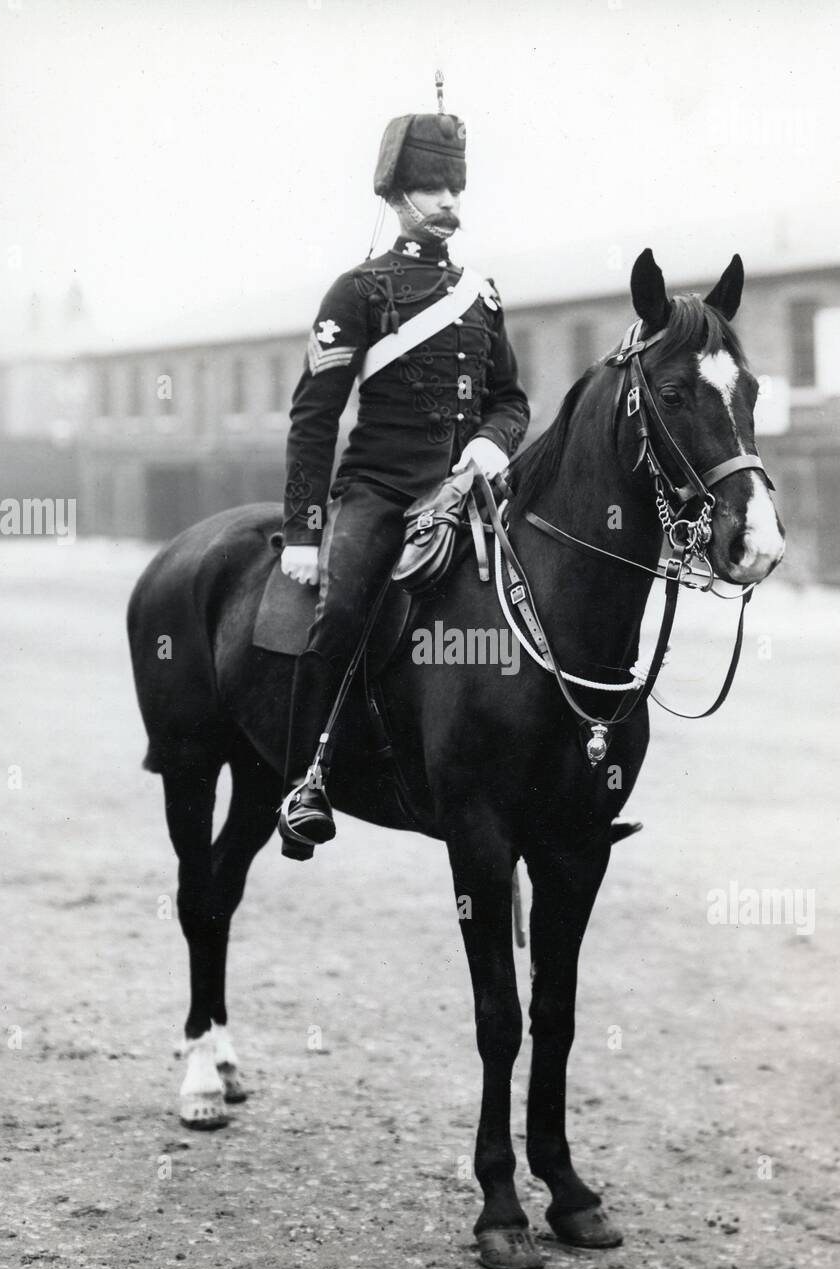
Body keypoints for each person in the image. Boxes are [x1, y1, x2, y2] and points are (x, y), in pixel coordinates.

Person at [277, 92, 530, 859]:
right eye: (430, 189)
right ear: (395, 196)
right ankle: (304, 780)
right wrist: (302, 533)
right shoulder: (355, 294)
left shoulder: (481, 294)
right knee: (342, 612)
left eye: (455, 189)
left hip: (470, 495)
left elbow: (510, 399)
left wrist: (491, 443)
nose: (447, 203)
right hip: (380, 495)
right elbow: (314, 417)